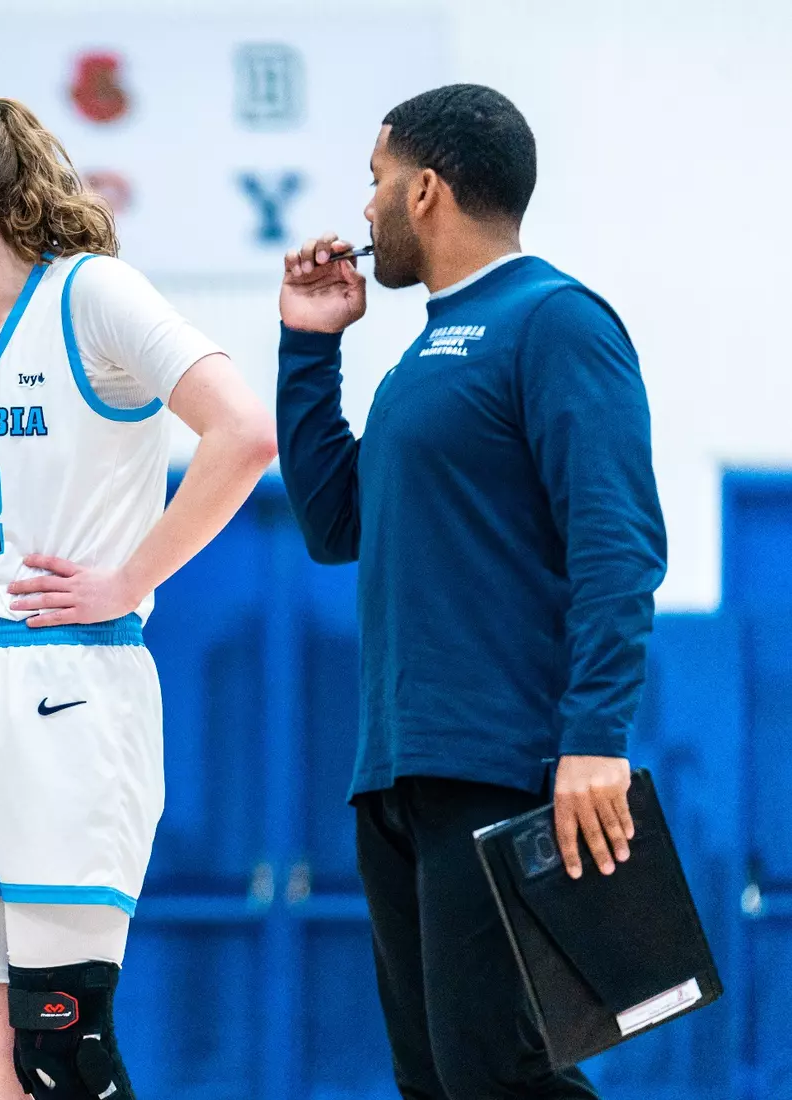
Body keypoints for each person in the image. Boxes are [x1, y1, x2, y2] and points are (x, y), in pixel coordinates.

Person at [0, 95, 278, 1100]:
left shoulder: (92, 295)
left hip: (68, 682)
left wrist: (132, 576)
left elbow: (245, 432)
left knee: (60, 1043)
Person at [274, 84, 666, 1099]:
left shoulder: (555, 320)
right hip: (398, 773)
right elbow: (333, 525)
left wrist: (595, 737)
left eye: (376, 181)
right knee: (441, 1083)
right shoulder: (420, 359)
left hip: (507, 764)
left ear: (426, 189)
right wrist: (311, 345)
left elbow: (619, 544)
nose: (364, 208)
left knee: (501, 1075)